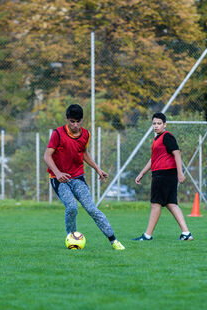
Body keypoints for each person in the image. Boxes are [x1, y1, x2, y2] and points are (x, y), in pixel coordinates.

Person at [43, 104, 125, 250]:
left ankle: (114, 241)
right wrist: (58, 173)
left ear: (82, 120)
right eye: (72, 121)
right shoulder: (58, 134)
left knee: (91, 208)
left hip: (78, 177)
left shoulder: (85, 134)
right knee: (72, 207)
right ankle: (71, 238)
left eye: (78, 122)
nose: (75, 125)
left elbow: (84, 153)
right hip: (59, 179)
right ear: (67, 119)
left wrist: (97, 169)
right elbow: (47, 156)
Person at [133, 112, 193, 241]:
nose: (156, 126)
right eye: (154, 124)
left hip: (164, 175)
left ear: (164, 124)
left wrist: (180, 172)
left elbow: (177, 153)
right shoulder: (156, 139)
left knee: (155, 204)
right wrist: (142, 173)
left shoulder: (167, 136)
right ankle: (186, 233)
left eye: (159, 123)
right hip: (163, 174)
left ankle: (147, 235)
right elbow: (153, 159)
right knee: (171, 203)